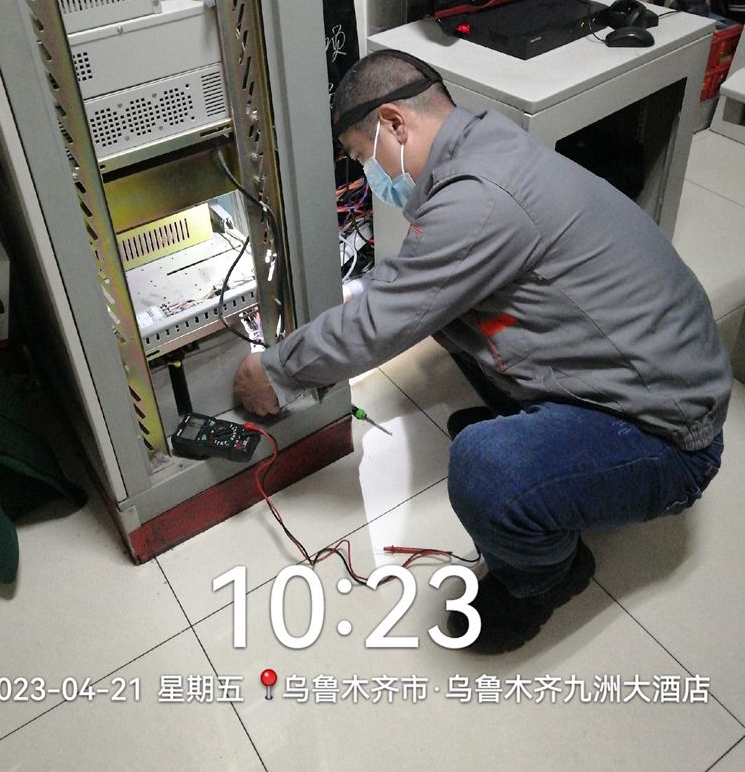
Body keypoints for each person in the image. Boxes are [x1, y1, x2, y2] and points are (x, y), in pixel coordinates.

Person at [234, 48, 731, 653]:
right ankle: (541, 443)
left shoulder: (481, 196)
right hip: (648, 373)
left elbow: (384, 320)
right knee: (449, 319)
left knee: (485, 468)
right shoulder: (484, 145)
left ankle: (547, 578)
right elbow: (414, 287)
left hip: (673, 439)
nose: (369, 175)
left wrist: (276, 371)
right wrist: (365, 299)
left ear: (394, 123)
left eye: (364, 157)